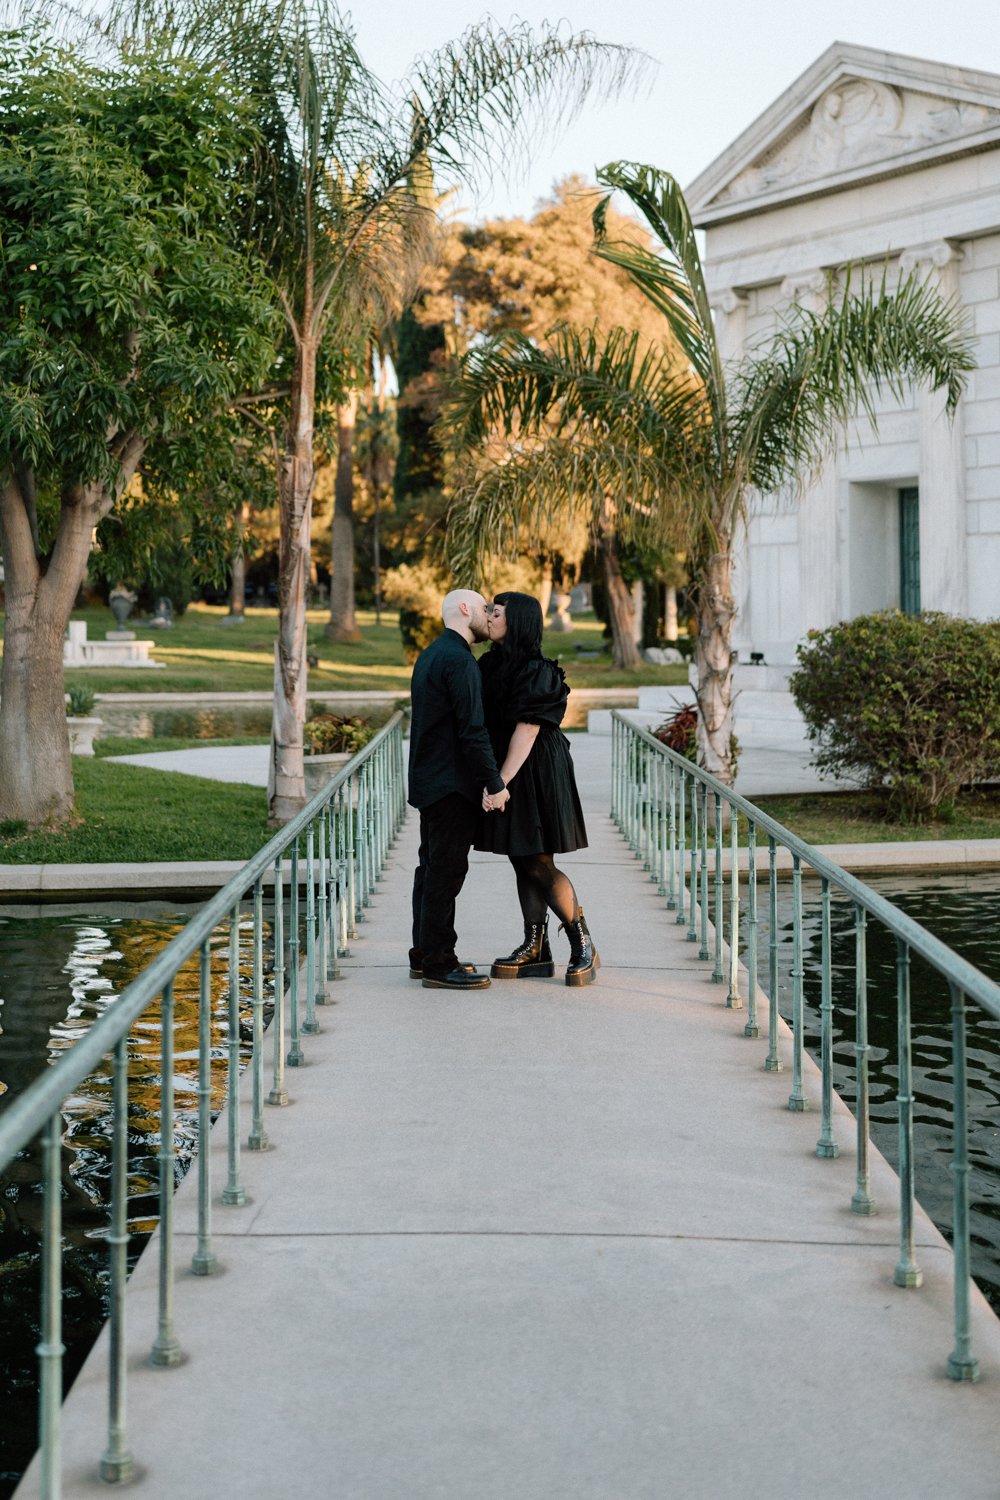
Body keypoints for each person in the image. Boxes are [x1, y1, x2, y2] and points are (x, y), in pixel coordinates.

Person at [475, 591, 599, 986]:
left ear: (519, 622)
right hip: (507, 768)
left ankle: (583, 944)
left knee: (538, 861)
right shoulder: (490, 664)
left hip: (534, 768)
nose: (489, 618)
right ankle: (535, 947)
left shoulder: (538, 671)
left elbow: (527, 731)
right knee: (520, 855)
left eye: (497, 613)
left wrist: (500, 782)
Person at [408, 588, 510, 990]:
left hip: (430, 782)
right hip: (451, 786)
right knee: (445, 876)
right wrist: (494, 783)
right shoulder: (460, 660)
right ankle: (439, 962)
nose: (489, 616)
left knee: (430, 870)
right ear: (465, 609)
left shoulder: (431, 654)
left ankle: (423, 955)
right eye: (485, 608)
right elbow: (473, 731)